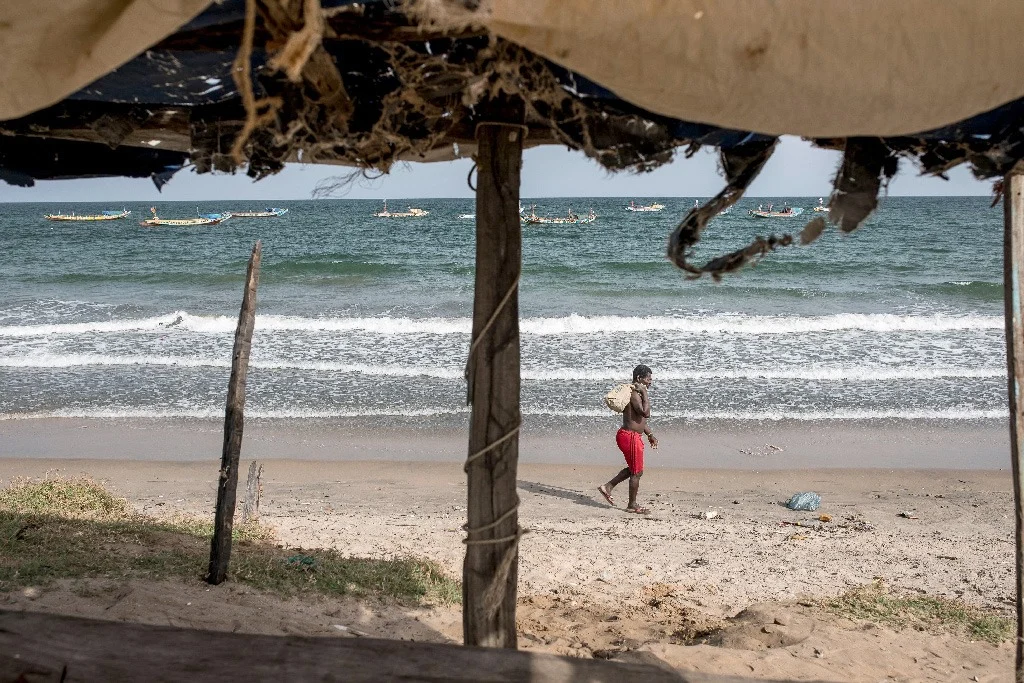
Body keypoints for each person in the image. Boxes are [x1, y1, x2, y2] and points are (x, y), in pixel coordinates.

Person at [598, 364, 658, 513]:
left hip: (632, 436)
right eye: (648, 379)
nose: (650, 382)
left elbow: (639, 421)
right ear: (639, 379)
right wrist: (644, 392)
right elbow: (645, 413)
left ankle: (607, 487)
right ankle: (632, 505)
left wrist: (649, 434)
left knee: (634, 469)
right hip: (629, 437)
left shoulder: (636, 394)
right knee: (637, 472)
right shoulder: (634, 395)